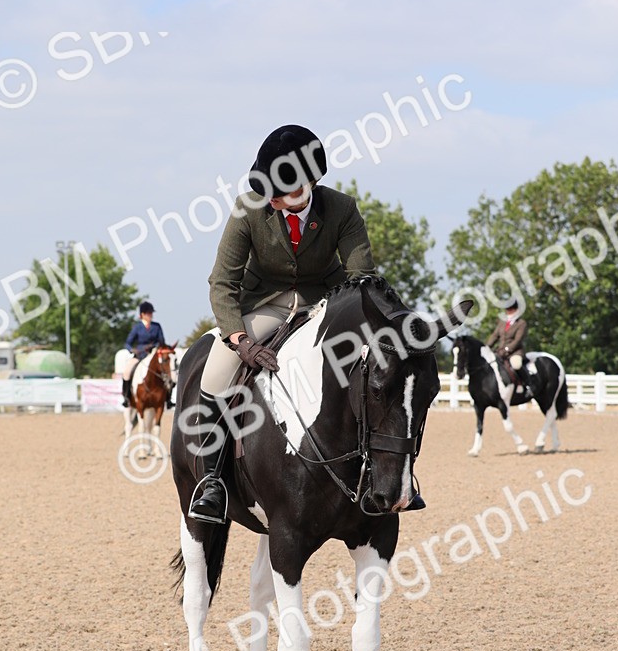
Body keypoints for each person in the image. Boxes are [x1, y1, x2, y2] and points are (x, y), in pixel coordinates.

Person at [190, 123, 414, 523]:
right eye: (269, 192)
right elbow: (223, 281)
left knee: (377, 372)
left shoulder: (342, 208)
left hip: (322, 305)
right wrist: (240, 341)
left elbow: (362, 277)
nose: (272, 200)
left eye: (283, 193)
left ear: (311, 181)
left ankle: (386, 473)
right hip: (264, 305)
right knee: (216, 372)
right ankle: (212, 482)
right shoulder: (249, 208)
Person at [122, 301, 165, 406]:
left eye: (151, 313)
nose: (151, 315)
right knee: (127, 372)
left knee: (166, 372)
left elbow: (162, 341)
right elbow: (127, 343)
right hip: (140, 355)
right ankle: (126, 397)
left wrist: (154, 345)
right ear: (142, 315)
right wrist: (132, 350)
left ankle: (167, 399)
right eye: (148, 313)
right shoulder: (137, 327)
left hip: (153, 354)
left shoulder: (156, 326)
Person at [486, 300, 532, 393]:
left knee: (516, 364)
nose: (508, 312)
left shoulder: (521, 323)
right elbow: (495, 335)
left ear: (516, 310)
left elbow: (518, 340)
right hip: (500, 351)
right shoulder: (502, 322)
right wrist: (486, 347)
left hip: (515, 351)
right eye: (507, 310)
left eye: (511, 310)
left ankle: (526, 385)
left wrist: (508, 349)